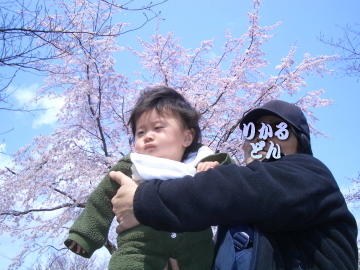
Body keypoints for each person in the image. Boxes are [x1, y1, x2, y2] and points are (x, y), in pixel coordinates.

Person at [110, 100, 358, 270]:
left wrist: (142, 201)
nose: (261, 136)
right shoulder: (239, 218)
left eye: (277, 129)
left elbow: (237, 187)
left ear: (299, 143)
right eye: (252, 131)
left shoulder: (311, 174)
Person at [64, 86, 231, 270]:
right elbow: (101, 198)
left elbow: (235, 186)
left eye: (158, 128)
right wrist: (84, 234)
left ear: (187, 137)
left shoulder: (200, 162)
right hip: (139, 249)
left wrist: (216, 169)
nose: (148, 136)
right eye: (140, 132)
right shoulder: (133, 166)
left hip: (195, 249)